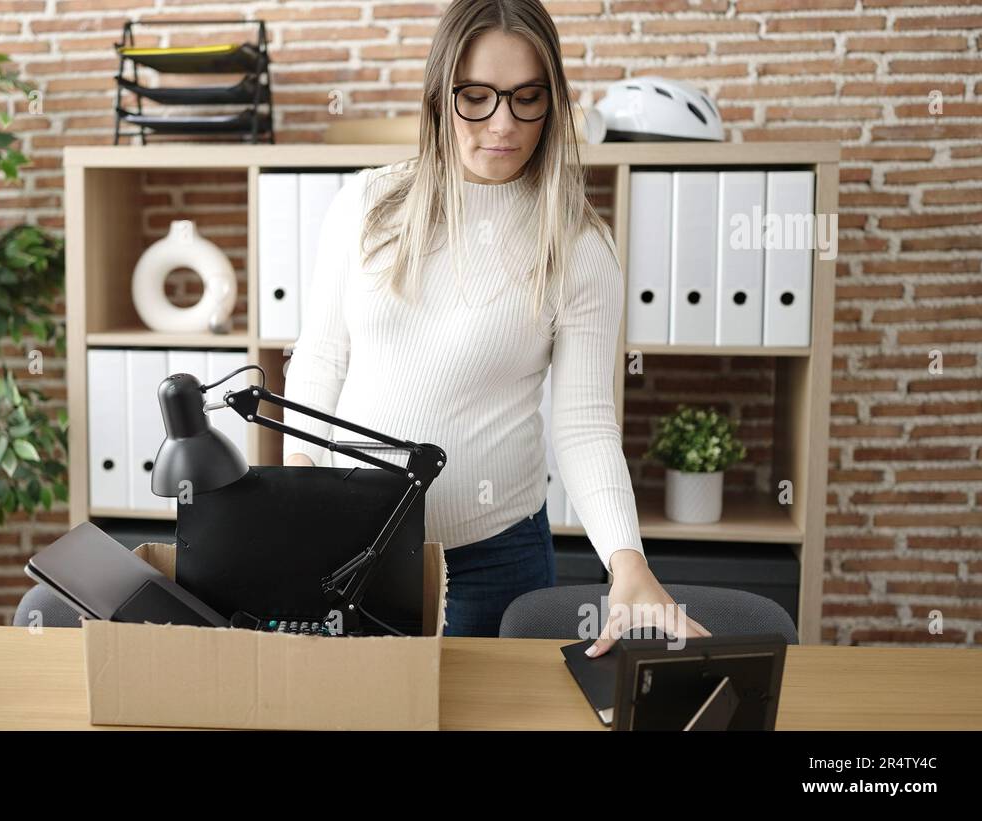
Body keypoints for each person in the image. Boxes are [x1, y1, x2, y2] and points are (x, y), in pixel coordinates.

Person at [282, 0, 710, 653]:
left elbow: (585, 424)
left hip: (493, 564)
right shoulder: (365, 205)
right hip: (350, 548)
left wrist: (628, 562)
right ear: (439, 97)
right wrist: (300, 482)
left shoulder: (580, 248)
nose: (503, 124)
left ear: (553, 101)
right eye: (476, 97)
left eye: (527, 97)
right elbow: (320, 359)